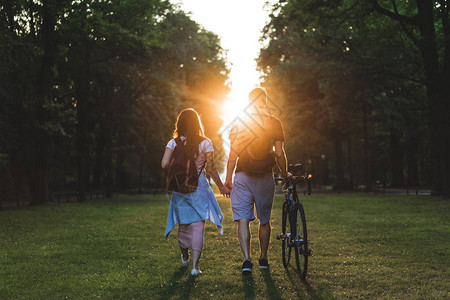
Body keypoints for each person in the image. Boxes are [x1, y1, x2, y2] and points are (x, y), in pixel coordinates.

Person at [224, 88, 291, 274]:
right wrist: (285, 173)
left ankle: (247, 260)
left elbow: (232, 155)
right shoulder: (274, 123)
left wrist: (228, 179)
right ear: (265, 101)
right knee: (265, 220)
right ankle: (263, 258)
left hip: (243, 175)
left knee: (243, 220)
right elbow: (279, 153)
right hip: (264, 176)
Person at [162, 108, 230, 276]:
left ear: (180, 124)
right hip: (198, 187)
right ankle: (194, 267)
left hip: (179, 188)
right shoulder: (205, 142)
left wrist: (175, 164)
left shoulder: (173, 143)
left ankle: (185, 256)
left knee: (184, 224)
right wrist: (221, 187)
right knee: (198, 226)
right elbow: (212, 168)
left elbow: (164, 164)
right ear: (197, 123)